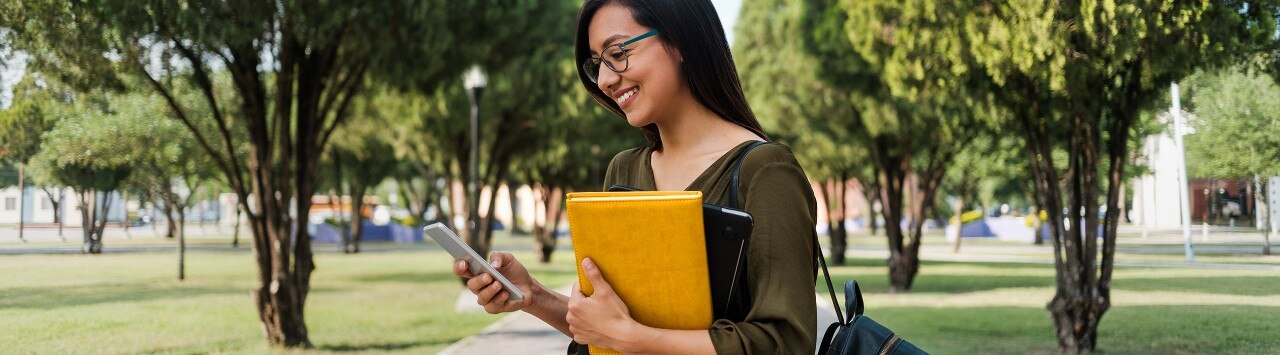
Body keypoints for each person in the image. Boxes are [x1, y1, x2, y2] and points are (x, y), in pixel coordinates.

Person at [452, 0, 819, 353]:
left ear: (679, 41)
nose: (607, 79)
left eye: (617, 53)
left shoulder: (766, 171)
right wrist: (533, 295)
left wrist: (630, 338)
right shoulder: (625, 170)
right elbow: (606, 329)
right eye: (597, 64)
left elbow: (785, 342)